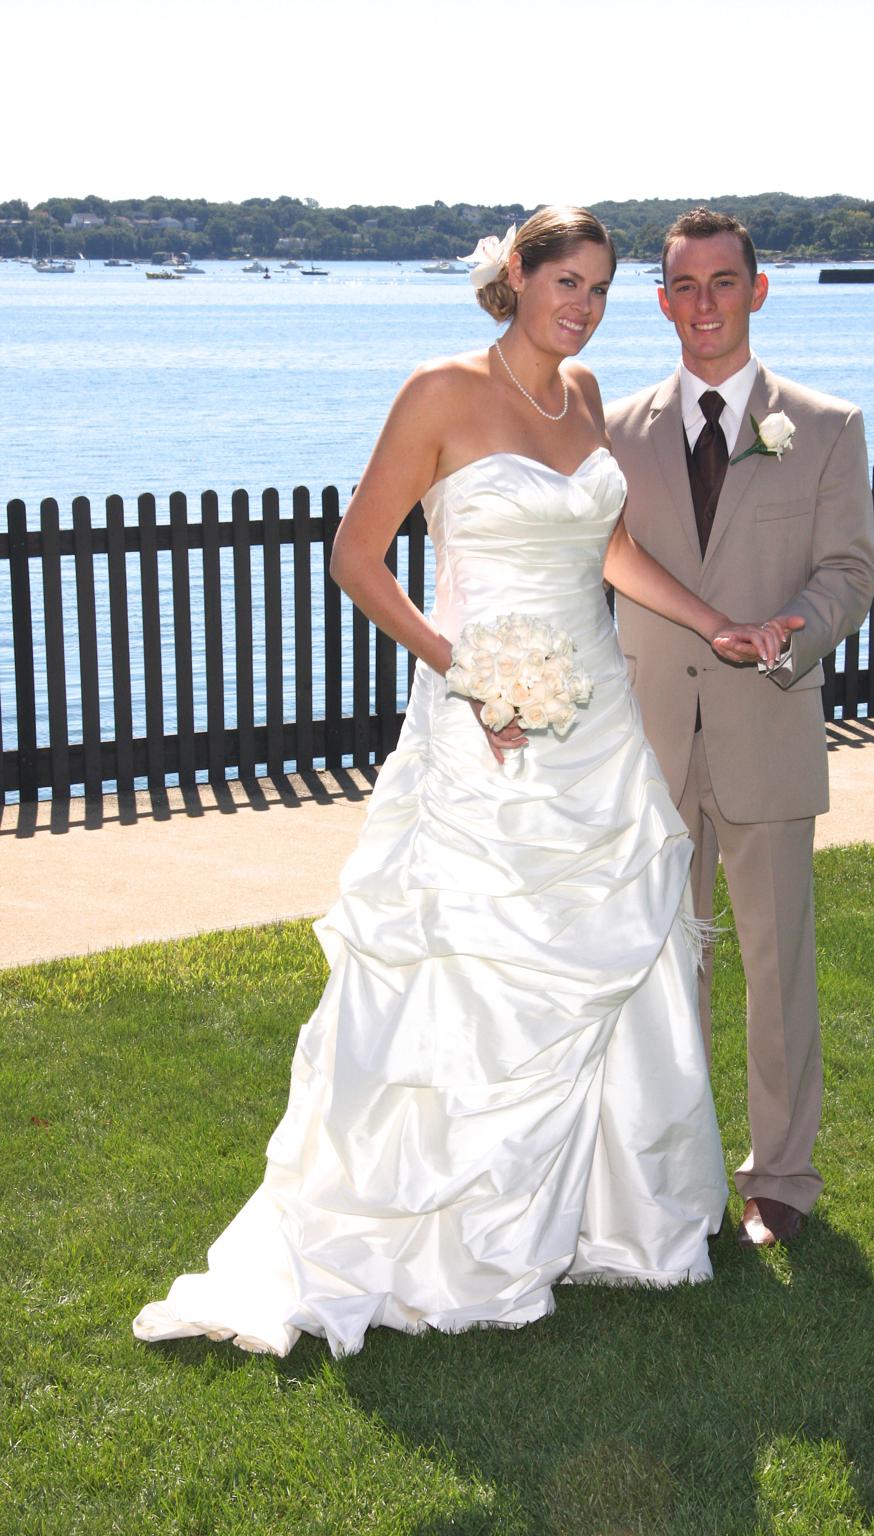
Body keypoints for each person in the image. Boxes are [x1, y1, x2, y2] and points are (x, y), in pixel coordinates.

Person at [133, 207, 792, 1359]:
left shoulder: (582, 396)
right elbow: (356, 556)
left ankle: (609, 1218)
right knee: (476, 969)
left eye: (599, 287)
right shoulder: (439, 391)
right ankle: (448, 1235)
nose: (582, 306)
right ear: (515, 275)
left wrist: (712, 622)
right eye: (565, 281)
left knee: (612, 951)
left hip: (593, 725)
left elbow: (604, 550)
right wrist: (466, 673)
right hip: (482, 725)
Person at [607, 209, 874, 1249]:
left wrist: (791, 630)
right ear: (661, 301)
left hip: (767, 725)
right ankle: (672, 1179)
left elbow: (848, 572)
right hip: (646, 744)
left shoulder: (825, 426)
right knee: (661, 971)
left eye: (723, 282)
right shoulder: (613, 432)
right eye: (684, 285)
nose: (704, 303)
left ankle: (780, 1179)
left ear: (756, 291)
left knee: (776, 968)